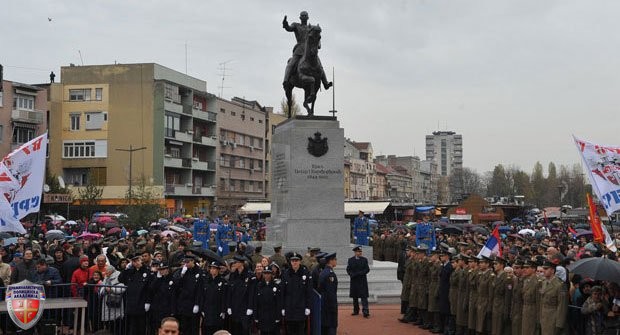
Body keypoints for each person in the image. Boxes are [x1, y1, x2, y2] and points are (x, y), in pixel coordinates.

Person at [282, 11, 331, 89]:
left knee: (320, 66)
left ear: (307, 17)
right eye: (302, 16)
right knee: (291, 64)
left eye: (305, 16)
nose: (304, 17)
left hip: (309, 51)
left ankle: (325, 83)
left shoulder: (311, 28)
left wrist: (317, 44)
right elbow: (289, 28)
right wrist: (285, 24)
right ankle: (285, 80)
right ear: (300, 18)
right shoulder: (296, 25)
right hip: (299, 50)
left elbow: (316, 38)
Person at [119, 254, 151, 335]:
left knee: (141, 326)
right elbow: (120, 279)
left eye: (138, 260)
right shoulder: (130, 272)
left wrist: (148, 301)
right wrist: (126, 268)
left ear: (141, 261)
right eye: (134, 261)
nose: (136, 263)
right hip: (131, 303)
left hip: (142, 302)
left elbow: (149, 288)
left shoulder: (147, 271)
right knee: (132, 326)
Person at [281, 252, 312, 335]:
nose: (294, 262)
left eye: (296, 260)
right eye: (293, 260)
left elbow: (308, 292)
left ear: (300, 262)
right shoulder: (286, 274)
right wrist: (283, 307)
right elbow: (283, 292)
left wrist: (308, 307)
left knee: (301, 331)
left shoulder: (305, 273)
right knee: (290, 331)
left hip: (301, 308)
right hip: (289, 308)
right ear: (290, 262)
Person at [172, 254, 203, 335]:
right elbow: (177, 286)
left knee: (194, 328)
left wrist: (197, 303)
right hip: (184, 304)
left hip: (193, 303)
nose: (186, 264)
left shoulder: (199, 272)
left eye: (187, 262)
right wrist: (181, 274)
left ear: (193, 261)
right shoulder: (184, 271)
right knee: (184, 327)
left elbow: (200, 289)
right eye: (185, 262)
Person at [227, 255, 254, 335]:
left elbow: (251, 293)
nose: (234, 264)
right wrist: (229, 306)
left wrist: (250, 307)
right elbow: (230, 291)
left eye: (236, 262)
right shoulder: (233, 275)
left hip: (245, 308)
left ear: (241, 263)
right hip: (235, 307)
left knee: (244, 330)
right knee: (235, 330)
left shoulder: (249, 276)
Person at [539, 260, 568, 335]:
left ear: (552, 270)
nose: (543, 271)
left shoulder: (560, 285)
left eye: (546, 269)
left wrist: (559, 324)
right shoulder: (544, 282)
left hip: (553, 318)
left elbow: (562, 306)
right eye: (543, 269)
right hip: (544, 317)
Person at [201, 261, 228, 335]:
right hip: (207, 309)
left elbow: (224, 297)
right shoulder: (206, 280)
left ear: (218, 270)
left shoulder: (222, 281)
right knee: (206, 328)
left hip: (217, 309)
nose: (212, 270)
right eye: (211, 268)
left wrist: (223, 310)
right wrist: (202, 308)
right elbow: (202, 295)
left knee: (216, 329)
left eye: (214, 268)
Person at [147, 264, 175, 333]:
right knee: (156, 327)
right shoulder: (159, 279)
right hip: (157, 308)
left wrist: (173, 309)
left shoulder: (172, 279)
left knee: (166, 328)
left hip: (167, 308)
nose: (161, 271)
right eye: (160, 270)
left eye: (163, 269)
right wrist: (157, 278)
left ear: (167, 269)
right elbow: (151, 289)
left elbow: (173, 295)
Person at [253, 267, 282, 334]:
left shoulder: (276, 286)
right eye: (265, 273)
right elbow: (256, 302)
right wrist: (256, 316)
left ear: (271, 274)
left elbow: (278, 302)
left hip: (273, 316)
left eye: (268, 273)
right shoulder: (259, 286)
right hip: (262, 315)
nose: (267, 275)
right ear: (263, 274)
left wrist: (278, 316)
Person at [99, 265, 125, 334]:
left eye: (107, 271)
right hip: (107, 302)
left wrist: (112, 289)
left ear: (111, 271)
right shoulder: (106, 277)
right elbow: (102, 287)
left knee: (116, 321)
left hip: (116, 301)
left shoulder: (119, 276)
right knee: (108, 321)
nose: (105, 273)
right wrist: (104, 289)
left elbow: (122, 288)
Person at [346, 246, 370, 318]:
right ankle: (356, 310)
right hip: (354, 280)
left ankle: (365, 311)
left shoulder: (364, 260)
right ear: (355, 252)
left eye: (360, 252)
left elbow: (367, 269)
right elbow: (348, 269)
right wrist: (351, 274)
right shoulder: (350, 260)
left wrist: (360, 273)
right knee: (355, 297)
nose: (360, 253)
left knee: (364, 297)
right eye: (358, 252)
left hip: (362, 280)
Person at [319, 252, 338, 335]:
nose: (336, 261)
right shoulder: (330, 274)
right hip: (329, 305)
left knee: (325, 326)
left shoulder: (323, 272)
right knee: (331, 326)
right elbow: (331, 292)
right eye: (335, 259)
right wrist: (334, 305)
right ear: (331, 261)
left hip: (324, 303)